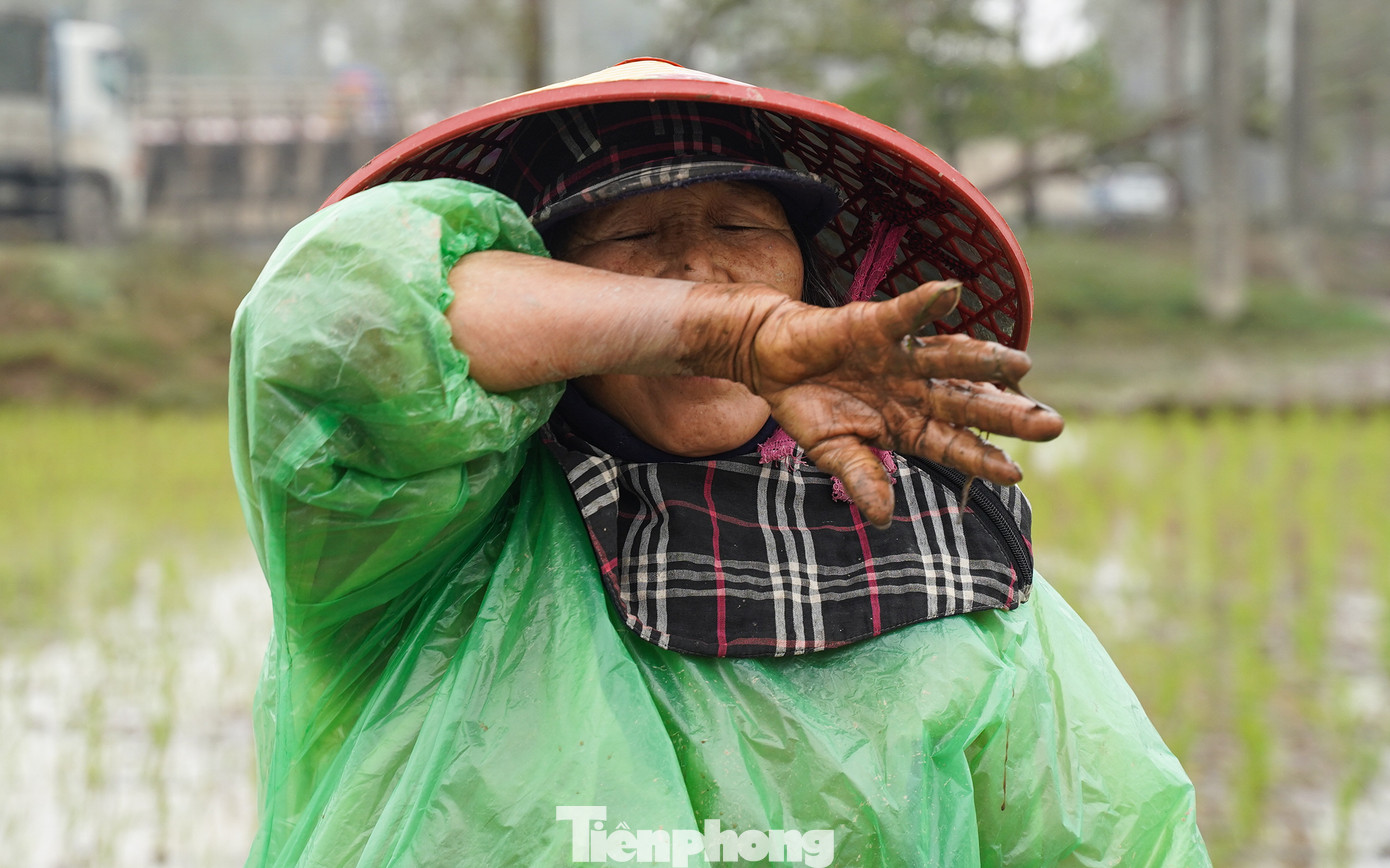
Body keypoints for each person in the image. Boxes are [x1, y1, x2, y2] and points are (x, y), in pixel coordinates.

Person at [230, 60, 1211, 866]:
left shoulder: (949, 563)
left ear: (811, 276)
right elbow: (328, 321)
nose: (700, 265)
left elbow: (1108, 834)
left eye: (742, 228)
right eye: (631, 235)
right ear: (551, 294)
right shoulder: (419, 537)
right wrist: (716, 330)